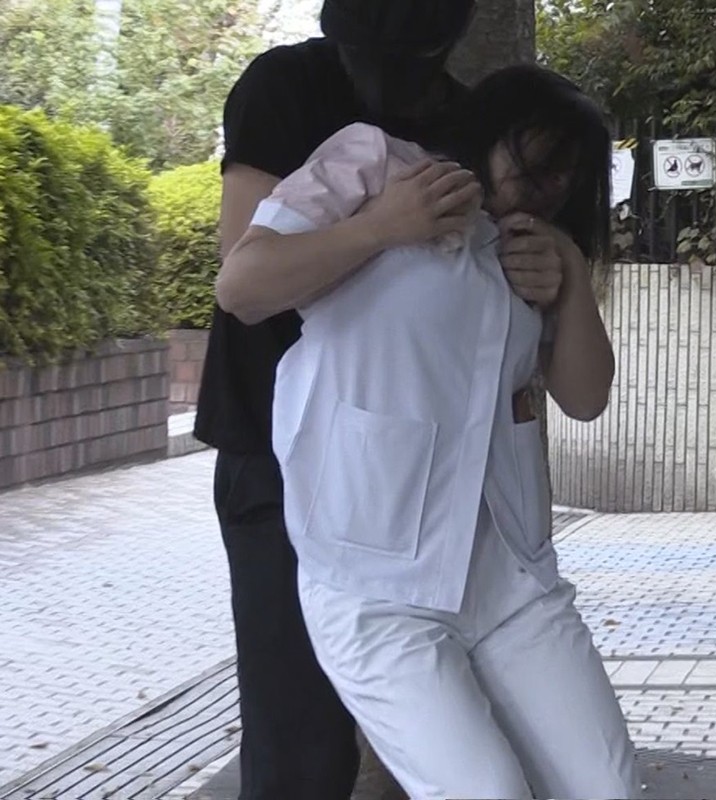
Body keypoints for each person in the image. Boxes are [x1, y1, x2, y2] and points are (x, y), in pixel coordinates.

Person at [216, 65, 643, 799]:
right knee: (486, 791)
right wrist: (381, 227)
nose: (543, 189)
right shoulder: (376, 165)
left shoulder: (527, 245)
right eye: (533, 161)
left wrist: (571, 274)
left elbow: (585, 397)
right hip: (374, 584)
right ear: (489, 130)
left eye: (564, 178)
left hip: (509, 579)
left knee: (607, 787)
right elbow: (242, 287)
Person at [193, 2, 477, 798]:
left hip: (412, 469)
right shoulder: (285, 85)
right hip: (278, 456)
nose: (386, 68)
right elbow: (247, 281)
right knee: (299, 740)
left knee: (429, 738)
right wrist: (382, 227)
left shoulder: (467, 119)